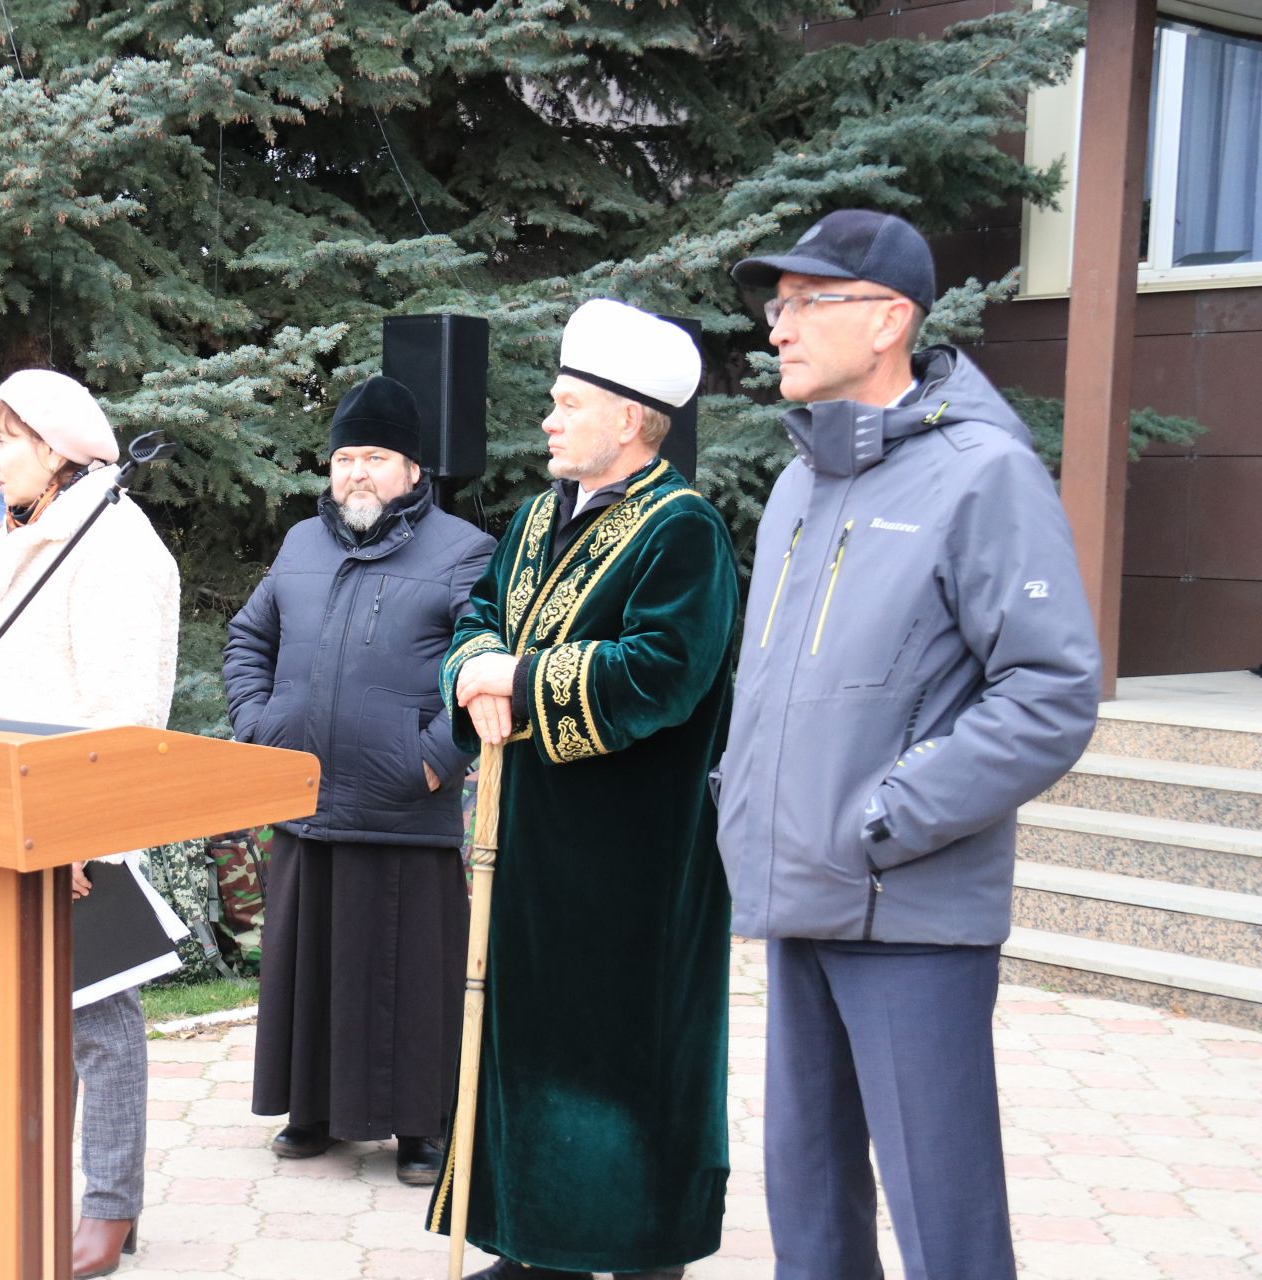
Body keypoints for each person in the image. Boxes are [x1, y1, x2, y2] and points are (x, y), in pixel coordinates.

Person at [715, 209, 1101, 1280]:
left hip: (911, 907)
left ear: (889, 319)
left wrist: (891, 812)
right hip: (803, 890)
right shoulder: (800, 483)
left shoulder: (983, 474)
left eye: (802, 304)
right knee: (811, 1208)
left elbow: (1054, 688)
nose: (776, 328)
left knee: (947, 1228)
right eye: (774, 305)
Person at [429, 301, 739, 1279]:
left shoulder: (683, 530)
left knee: (621, 1057)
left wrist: (514, 681)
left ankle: (643, 1250)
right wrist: (476, 669)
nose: (548, 419)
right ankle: (537, 1243)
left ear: (630, 418)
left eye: (568, 403)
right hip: (529, 846)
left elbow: (667, 671)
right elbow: (479, 618)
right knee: (531, 1043)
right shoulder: (532, 518)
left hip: (633, 863)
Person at [0, 370, 178, 1279]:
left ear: (57, 450)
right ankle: (35, 1180)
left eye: (5, 444)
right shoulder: (22, 533)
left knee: (100, 1017)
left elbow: (125, 710)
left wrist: (86, 835)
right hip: (0, 809)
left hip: (71, 817)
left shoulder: (112, 546)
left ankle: (111, 1209)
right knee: (22, 1012)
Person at [222, 376, 492, 1185]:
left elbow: (482, 673)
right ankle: (312, 1113)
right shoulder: (302, 544)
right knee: (309, 964)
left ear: (413, 469)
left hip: (403, 807)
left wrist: (435, 758)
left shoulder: (463, 551)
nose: (357, 474)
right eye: (345, 457)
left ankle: (420, 1129)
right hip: (304, 801)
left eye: (375, 456)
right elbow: (247, 638)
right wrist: (259, 726)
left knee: (406, 975)